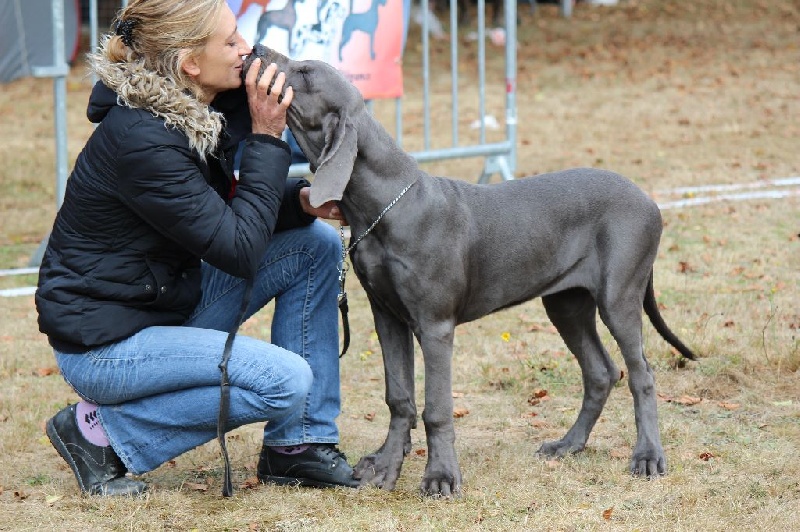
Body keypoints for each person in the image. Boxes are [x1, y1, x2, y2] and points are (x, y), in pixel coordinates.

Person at [36, 0, 358, 496]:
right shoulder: (143, 140)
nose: (246, 49)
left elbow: (223, 217)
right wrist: (268, 138)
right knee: (285, 380)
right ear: (189, 61)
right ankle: (100, 435)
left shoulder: (192, 107)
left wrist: (299, 204)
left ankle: (298, 446)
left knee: (311, 244)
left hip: (161, 305)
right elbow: (238, 248)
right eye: (230, 42)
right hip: (106, 349)